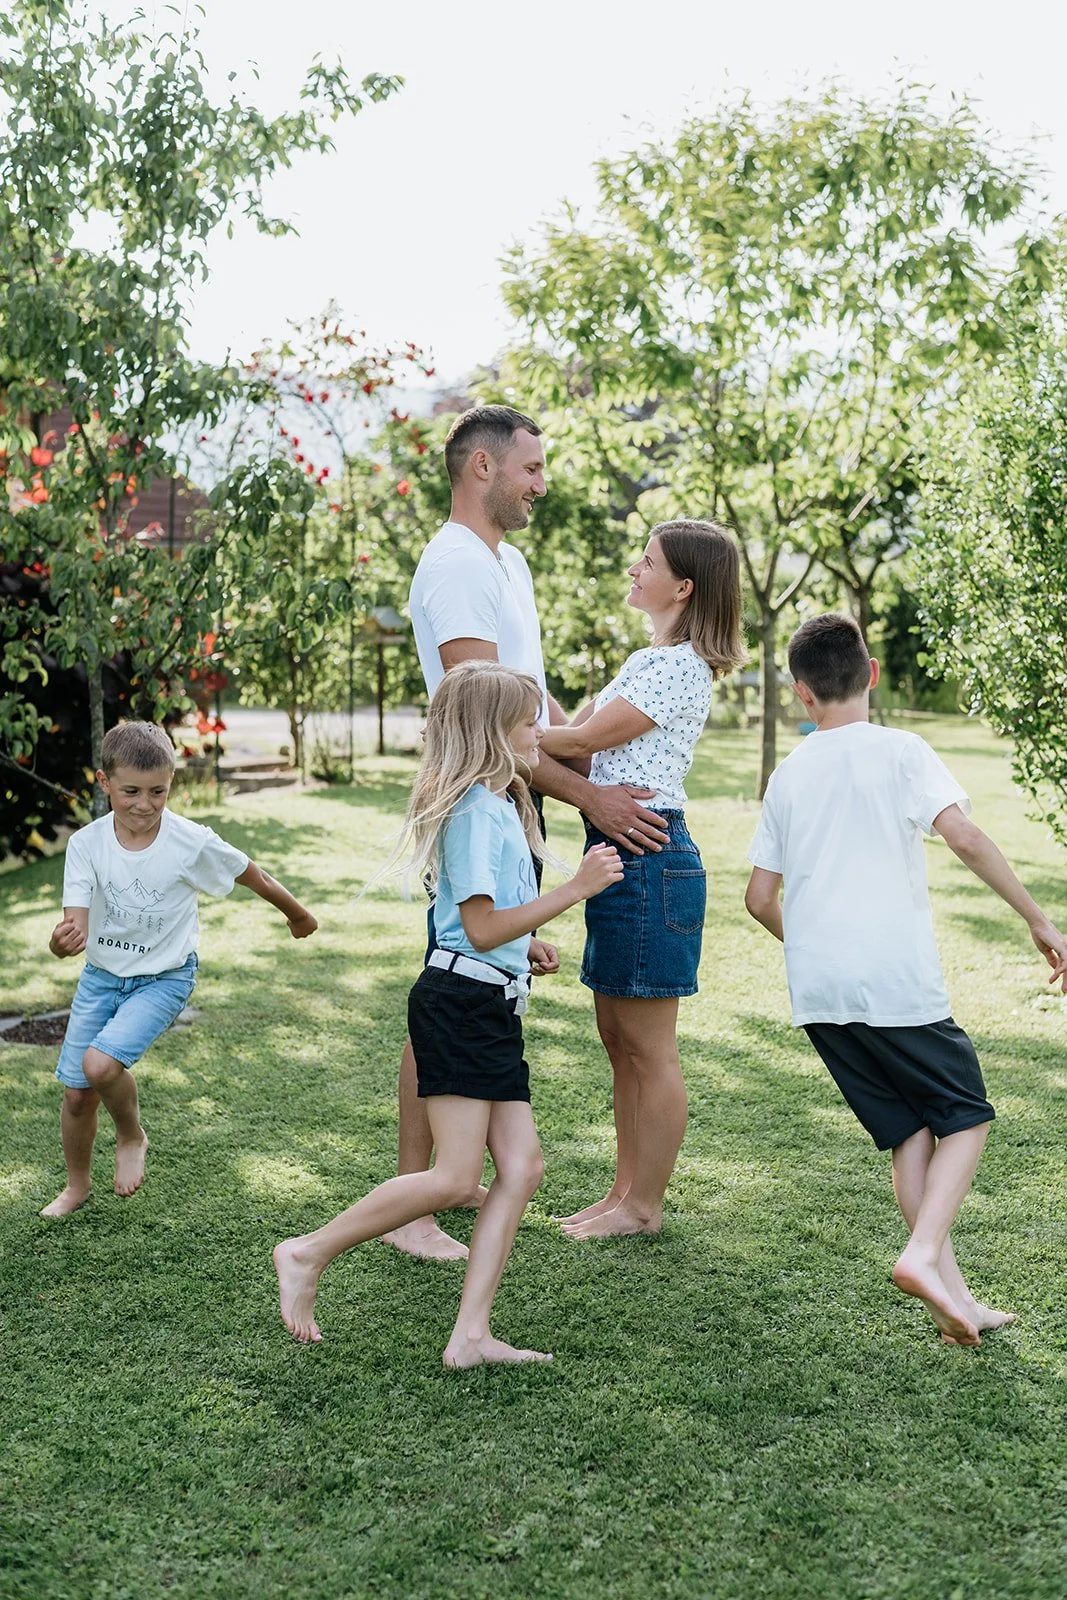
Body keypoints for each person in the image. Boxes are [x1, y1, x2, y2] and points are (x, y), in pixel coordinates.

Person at [274, 661, 623, 1365]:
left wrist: (528, 945)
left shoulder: (496, 807)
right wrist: (575, 890)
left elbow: (490, 929)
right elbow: (480, 926)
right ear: (491, 732)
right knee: (457, 1178)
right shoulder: (471, 810)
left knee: (521, 1168)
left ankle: (470, 1336)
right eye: (528, 720)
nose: (539, 730)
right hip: (459, 1004)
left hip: (487, 1001)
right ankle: (306, 1252)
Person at [387, 403, 671, 1261]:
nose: (541, 485)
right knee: (446, 983)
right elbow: (481, 714)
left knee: (479, 974)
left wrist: (591, 762)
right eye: (531, 469)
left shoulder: (506, 565)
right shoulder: (456, 568)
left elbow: (531, 703)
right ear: (482, 467)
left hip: (518, 788)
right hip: (477, 789)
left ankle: (445, 1179)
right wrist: (590, 799)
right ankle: (414, 1205)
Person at [744, 613, 1067, 1346]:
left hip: (820, 993)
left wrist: (818, 948)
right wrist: (1038, 920)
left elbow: (759, 901)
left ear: (800, 694)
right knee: (967, 1115)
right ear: (873, 674)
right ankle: (921, 1255)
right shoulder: (901, 749)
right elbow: (962, 835)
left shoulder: (788, 773)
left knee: (909, 1133)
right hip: (890, 980)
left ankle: (954, 1298)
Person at [538, 520, 746, 1239]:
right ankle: (622, 1192)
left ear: (682, 586)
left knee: (649, 1047)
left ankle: (644, 1207)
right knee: (615, 1036)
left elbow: (583, 742)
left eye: (647, 562)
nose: (634, 569)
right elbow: (584, 752)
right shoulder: (646, 658)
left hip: (653, 862)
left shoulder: (678, 666)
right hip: (621, 858)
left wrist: (488, 728)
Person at [44, 721, 318, 1217]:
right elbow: (73, 928)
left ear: (171, 785)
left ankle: (131, 1136)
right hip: (102, 977)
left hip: (165, 977)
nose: (144, 804)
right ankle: (77, 1185)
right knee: (78, 1093)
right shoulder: (86, 844)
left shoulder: (188, 840)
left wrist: (296, 913)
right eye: (130, 791)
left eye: (158, 792)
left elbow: (250, 872)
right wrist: (62, 944)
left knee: (98, 1065)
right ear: (105, 784)